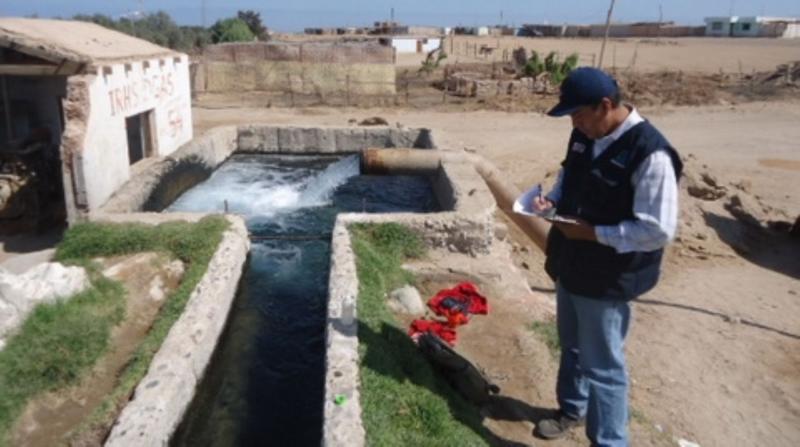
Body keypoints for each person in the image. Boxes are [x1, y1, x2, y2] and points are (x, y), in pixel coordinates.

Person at [531, 67, 682, 446]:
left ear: (606, 105)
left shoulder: (651, 154)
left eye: (579, 115)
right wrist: (552, 199)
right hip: (571, 262)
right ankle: (571, 410)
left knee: (603, 366)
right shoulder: (584, 134)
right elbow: (570, 176)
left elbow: (657, 229)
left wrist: (594, 233)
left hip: (607, 276)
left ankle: (610, 441)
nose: (575, 124)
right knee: (572, 345)